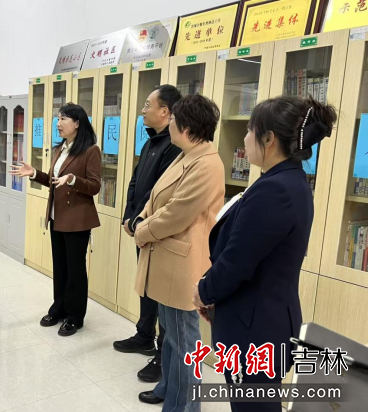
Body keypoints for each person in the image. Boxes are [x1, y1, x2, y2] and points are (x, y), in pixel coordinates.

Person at [193, 97, 337, 412]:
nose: (245, 138)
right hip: (261, 320)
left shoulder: (276, 190)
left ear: (268, 138)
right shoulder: (287, 181)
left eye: (249, 130)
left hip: (255, 331)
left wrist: (204, 291)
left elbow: (237, 262)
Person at [133, 94, 225, 410]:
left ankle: (186, 405)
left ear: (185, 126)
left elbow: (177, 213)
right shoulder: (187, 155)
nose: (169, 123)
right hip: (167, 259)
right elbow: (156, 198)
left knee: (185, 342)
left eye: (172, 119)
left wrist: (142, 231)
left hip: (182, 265)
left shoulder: (207, 164)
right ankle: (169, 389)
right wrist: (141, 218)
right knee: (171, 336)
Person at [10, 103, 101, 337]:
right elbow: (53, 180)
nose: (58, 124)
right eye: (58, 119)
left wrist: (73, 179)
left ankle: (75, 316)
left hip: (77, 220)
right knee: (60, 268)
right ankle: (58, 308)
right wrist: (34, 173)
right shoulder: (60, 148)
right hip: (56, 217)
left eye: (63, 119)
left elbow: (94, 186)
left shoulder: (90, 150)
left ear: (77, 123)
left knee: (75, 270)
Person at [113, 84, 182, 383]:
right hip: (141, 226)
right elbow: (136, 181)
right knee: (145, 285)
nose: (143, 110)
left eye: (147, 105)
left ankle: (161, 352)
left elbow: (158, 192)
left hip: (156, 230)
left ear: (165, 111)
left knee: (160, 291)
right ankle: (144, 335)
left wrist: (138, 219)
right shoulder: (151, 141)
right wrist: (129, 215)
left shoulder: (174, 147)